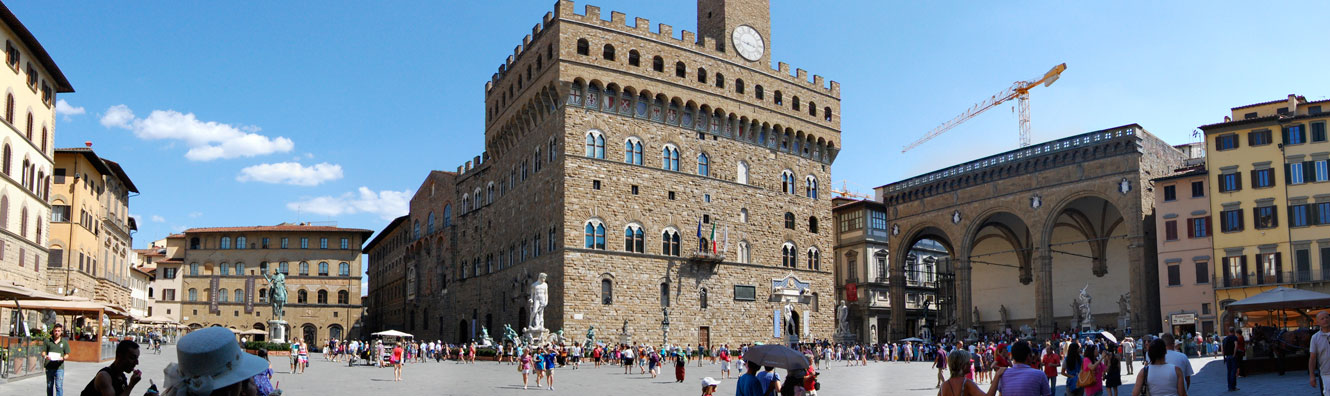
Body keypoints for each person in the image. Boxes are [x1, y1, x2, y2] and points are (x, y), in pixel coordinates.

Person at [45, 323, 71, 396]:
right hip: (49, 367)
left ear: (61, 331)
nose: (57, 332)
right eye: (55, 331)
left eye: (58, 331)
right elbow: (43, 352)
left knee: (59, 386)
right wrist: (45, 356)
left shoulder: (64, 342)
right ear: (53, 331)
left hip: (59, 368)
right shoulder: (48, 341)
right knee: (49, 386)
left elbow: (67, 354)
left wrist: (62, 358)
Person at [1310, 311, 1330, 395]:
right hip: (1326, 374)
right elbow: (1312, 358)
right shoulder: (1315, 338)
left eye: (1327, 317)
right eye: (1322, 318)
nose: (1325, 320)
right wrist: (1312, 376)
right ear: (1318, 322)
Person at [1222, 327, 1239, 391]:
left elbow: (1223, 349)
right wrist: (1234, 354)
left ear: (1229, 331)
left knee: (1229, 372)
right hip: (1232, 356)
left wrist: (1224, 357)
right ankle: (1233, 386)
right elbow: (1236, 345)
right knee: (1233, 371)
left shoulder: (1225, 339)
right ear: (1234, 331)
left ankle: (1229, 386)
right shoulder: (1234, 338)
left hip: (1227, 357)